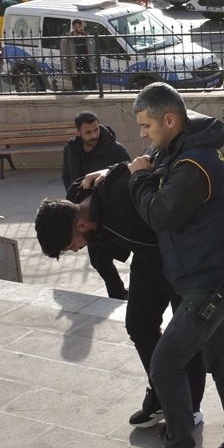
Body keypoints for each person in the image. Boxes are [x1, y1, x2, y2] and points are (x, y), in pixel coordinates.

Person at [127, 83, 224, 448]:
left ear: (169, 119)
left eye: (147, 125)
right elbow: (153, 161)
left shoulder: (194, 163)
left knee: (166, 362)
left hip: (210, 283)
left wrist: (137, 181)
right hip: (210, 276)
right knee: (219, 357)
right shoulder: (184, 145)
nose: (143, 135)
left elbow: (161, 213)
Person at [32, 161, 207, 432]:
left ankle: (188, 409)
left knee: (184, 337)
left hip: (179, 263)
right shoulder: (80, 197)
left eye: (71, 245)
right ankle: (162, 395)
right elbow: (116, 171)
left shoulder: (121, 206)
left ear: (80, 223)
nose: (76, 250)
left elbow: (144, 166)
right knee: (138, 325)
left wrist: (114, 170)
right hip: (147, 262)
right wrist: (105, 171)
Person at [61, 110, 131, 299]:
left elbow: (128, 174)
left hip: (109, 213)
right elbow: (67, 175)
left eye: (95, 130)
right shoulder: (70, 150)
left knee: (107, 255)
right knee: (99, 260)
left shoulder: (115, 150)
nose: (93, 135)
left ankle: (120, 293)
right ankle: (118, 292)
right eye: (88, 132)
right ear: (78, 133)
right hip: (85, 214)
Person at [60, 18, 96, 91]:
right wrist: (67, 73)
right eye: (79, 27)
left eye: (82, 26)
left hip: (88, 69)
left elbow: (94, 54)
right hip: (75, 70)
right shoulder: (66, 40)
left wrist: (94, 68)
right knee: (78, 91)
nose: (81, 28)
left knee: (93, 90)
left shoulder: (89, 38)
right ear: (73, 28)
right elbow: (64, 58)